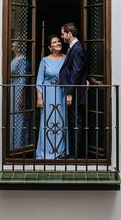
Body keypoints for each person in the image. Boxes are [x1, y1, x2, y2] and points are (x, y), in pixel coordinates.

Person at [35, 35, 68, 159]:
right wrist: (39, 98)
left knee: (60, 120)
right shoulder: (44, 60)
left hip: (61, 92)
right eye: (54, 42)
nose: (58, 43)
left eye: (59, 41)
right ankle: (46, 152)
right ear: (50, 47)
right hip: (48, 93)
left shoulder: (66, 58)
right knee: (47, 121)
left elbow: (71, 75)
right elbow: (39, 80)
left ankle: (60, 151)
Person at [59, 22, 86, 158]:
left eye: (63, 34)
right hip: (72, 91)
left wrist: (69, 93)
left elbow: (76, 72)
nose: (62, 36)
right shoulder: (73, 47)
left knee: (76, 122)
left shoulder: (77, 48)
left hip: (75, 93)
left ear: (69, 34)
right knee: (73, 121)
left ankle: (76, 156)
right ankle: (72, 153)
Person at [9, 42, 30, 149]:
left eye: (14, 42)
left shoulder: (23, 59)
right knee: (12, 118)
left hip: (18, 91)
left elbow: (23, 78)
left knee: (19, 118)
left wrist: (20, 95)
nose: (12, 44)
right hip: (12, 90)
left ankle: (19, 146)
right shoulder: (13, 58)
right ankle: (12, 146)